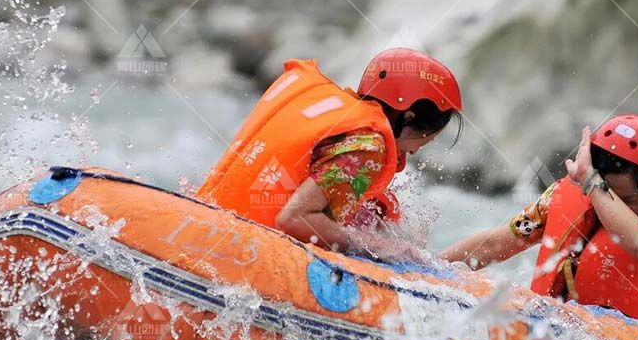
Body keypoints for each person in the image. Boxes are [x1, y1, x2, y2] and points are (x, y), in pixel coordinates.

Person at [441, 115, 638, 330]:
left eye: (625, 199)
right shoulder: (574, 192)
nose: (608, 205)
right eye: (606, 192)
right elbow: (502, 241)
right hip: (561, 325)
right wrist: (432, 267)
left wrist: (595, 187)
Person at [196, 48, 462, 259]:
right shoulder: (368, 148)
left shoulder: (336, 111)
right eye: (425, 139)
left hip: (208, 227)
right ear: (408, 117)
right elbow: (295, 218)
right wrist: (377, 248)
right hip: (242, 252)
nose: (414, 151)